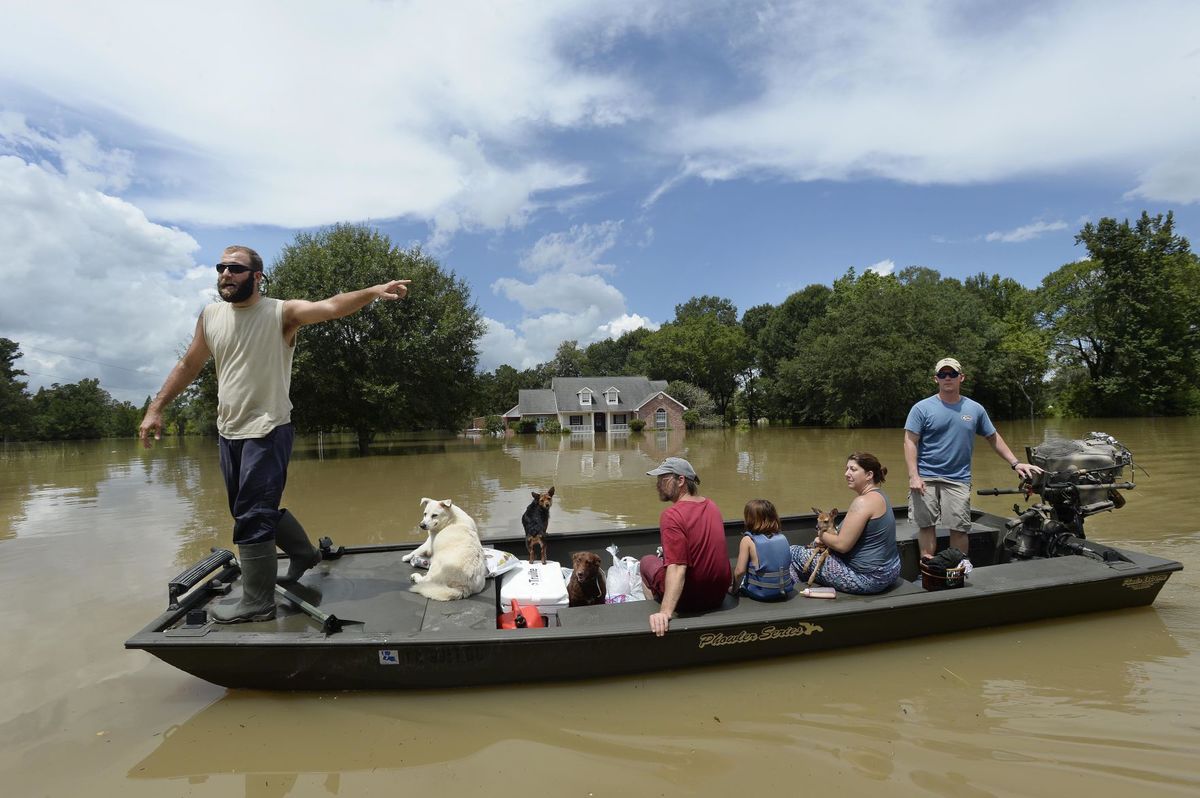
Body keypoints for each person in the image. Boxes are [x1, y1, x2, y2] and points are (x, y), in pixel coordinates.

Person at [138, 245, 411, 623]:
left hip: (267, 428)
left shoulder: (282, 312)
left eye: (235, 268)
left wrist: (371, 292)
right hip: (228, 431)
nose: (225, 274)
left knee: (251, 515)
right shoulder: (211, 316)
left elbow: (331, 306)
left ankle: (258, 603)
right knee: (247, 509)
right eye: (221, 268)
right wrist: (156, 408)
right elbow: (189, 363)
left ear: (257, 276)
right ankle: (303, 554)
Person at [903, 357, 1042, 559]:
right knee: (926, 526)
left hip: (958, 478)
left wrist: (1015, 463)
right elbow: (909, 442)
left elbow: (993, 437)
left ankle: (957, 566)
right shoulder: (921, 408)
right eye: (943, 374)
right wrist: (913, 476)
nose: (947, 378)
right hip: (925, 477)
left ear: (962, 378)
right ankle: (928, 568)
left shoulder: (975, 409)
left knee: (959, 528)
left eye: (952, 374)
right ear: (936, 379)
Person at [640, 457, 732, 636]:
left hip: (689, 600)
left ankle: (659, 612)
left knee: (646, 562)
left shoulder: (672, 515)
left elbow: (677, 567)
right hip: (718, 595)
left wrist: (665, 612)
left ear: (680, 480)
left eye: (663, 479)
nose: (658, 484)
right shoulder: (712, 506)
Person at [790, 452, 901, 594]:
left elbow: (842, 545)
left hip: (868, 579)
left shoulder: (862, 502)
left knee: (792, 552)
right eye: (846, 469)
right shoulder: (881, 495)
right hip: (891, 572)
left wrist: (821, 535)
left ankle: (793, 594)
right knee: (812, 555)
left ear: (869, 475)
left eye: (853, 470)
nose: (846, 474)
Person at [730, 499, 793, 601]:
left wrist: (733, 590)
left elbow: (739, 571)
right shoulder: (782, 537)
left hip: (761, 593)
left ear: (749, 519)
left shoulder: (748, 540)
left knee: (738, 582)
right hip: (785, 591)